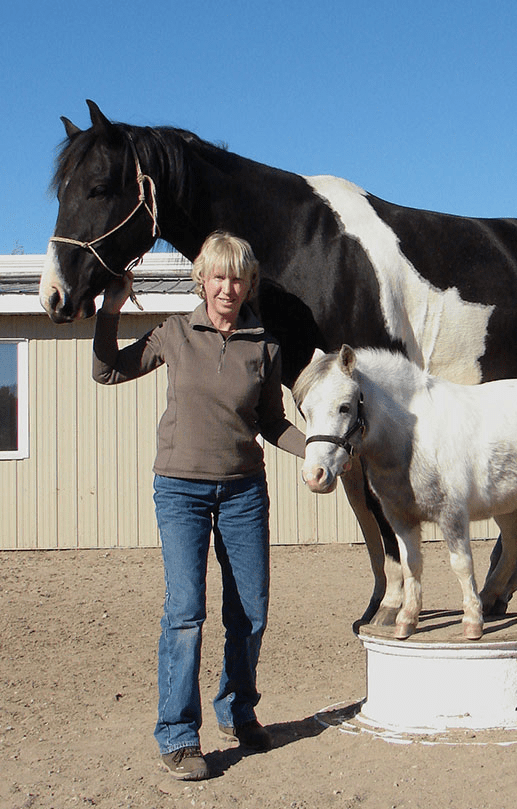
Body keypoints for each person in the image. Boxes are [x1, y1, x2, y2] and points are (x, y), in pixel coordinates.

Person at [93, 232, 306, 780]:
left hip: (243, 491)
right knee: (186, 613)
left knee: (251, 610)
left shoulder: (265, 345)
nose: (228, 287)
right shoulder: (175, 333)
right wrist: (109, 311)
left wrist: (322, 450)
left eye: (238, 277)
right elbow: (108, 370)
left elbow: (272, 422)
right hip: (181, 489)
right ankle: (178, 735)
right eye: (218, 276)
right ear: (202, 280)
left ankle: (237, 710)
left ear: (249, 283)